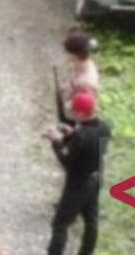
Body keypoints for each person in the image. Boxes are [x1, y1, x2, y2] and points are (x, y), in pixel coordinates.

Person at [44, 91, 112, 255]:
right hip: (96, 178)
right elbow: (89, 146)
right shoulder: (104, 127)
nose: (72, 113)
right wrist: (72, 134)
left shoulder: (82, 137)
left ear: (81, 113)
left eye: (74, 111)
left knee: (60, 223)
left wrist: (56, 141)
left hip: (78, 185)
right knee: (91, 222)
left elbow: (66, 161)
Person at [57, 32, 101, 123]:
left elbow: (87, 110)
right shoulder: (80, 64)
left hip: (74, 118)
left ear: (73, 55)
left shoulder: (86, 82)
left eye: (67, 52)